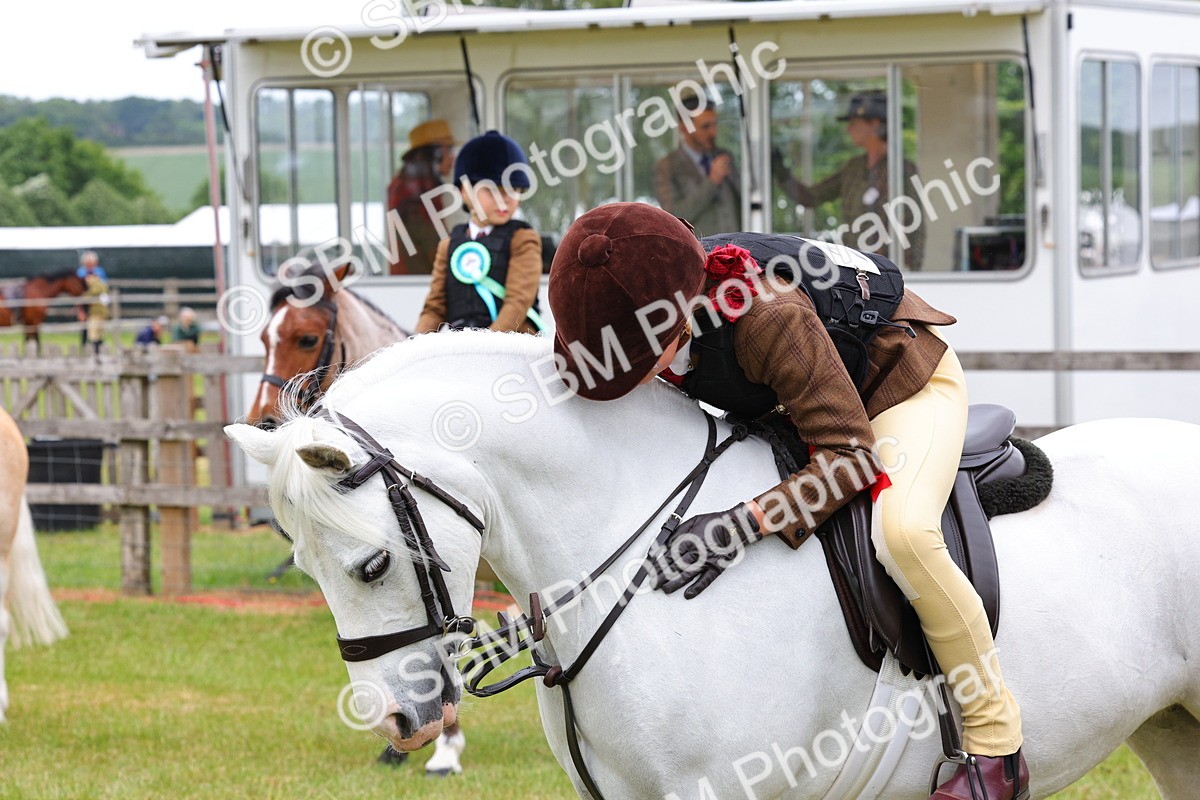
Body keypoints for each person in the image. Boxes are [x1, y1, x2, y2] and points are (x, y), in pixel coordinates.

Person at [547, 203, 1027, 800]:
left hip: (898, 385)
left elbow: (850, 460)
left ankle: (995, 743)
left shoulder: (766, 316)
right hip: (803, 396)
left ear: (676, 328)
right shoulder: (644, 295)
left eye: (640, 365)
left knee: (903, 533)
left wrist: (743, 522)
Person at [774, 91, 925, 269]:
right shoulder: (853, 168)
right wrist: (779, 169)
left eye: (854, 123)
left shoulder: (902, 169)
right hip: (854, 268)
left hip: (889, 272)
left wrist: (911, 271)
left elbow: (915, 226)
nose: (848, 129)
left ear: (874, 123)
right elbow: (811, 197)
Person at [415, 130, 543, 334]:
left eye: (514, 189)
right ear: (464, 191)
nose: (506, 199)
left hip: (512, 348)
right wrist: (413, 348)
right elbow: (434, 308)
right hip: (463, 348)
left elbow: (517, 302)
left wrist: (484, 349)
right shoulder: (448, 246)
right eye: (492, 190)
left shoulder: (523, 239)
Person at [653, 93, 741, 236]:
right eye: (705, 126)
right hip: (698, 253)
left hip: (735, 251)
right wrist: (711, 182)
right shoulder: (666, 167)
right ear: (683, 128)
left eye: (715, 124)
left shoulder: (724, 156)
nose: (713, 132)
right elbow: (672, 217)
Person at [387, 119, 458, 275]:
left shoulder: (405, 186)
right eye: (450, 150)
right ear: (435, 154)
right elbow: (437, 252)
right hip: (422, 283)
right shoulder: (417, 196)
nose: (453, 157)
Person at [80, 269, 109, 355]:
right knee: (100, 333)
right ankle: (99, 352)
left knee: (93, 334)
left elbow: (86, 298)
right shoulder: (103, 284)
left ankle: (95, 353)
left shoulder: (92, 285)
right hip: (103, 312)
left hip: (95, 313)